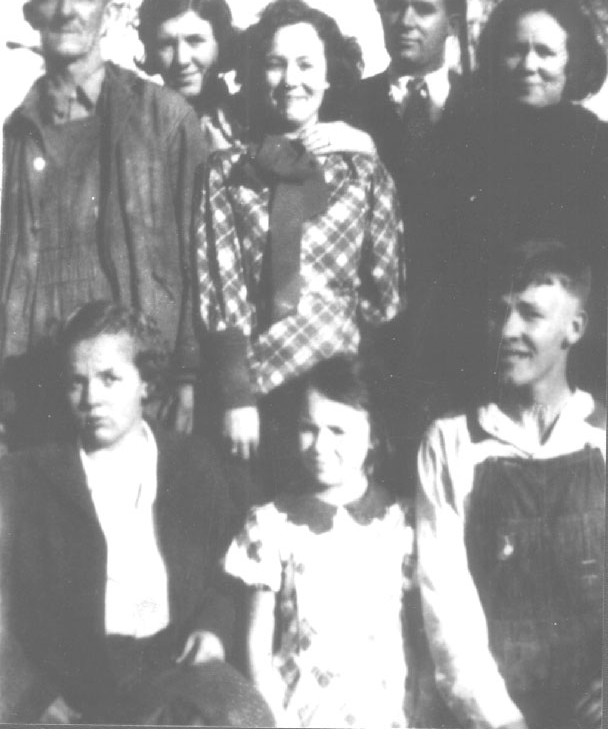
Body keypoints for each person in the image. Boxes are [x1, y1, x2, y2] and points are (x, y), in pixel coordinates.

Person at [0, 301, 273, 726]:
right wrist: (30, 695)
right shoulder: (27, 478)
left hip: (172, 668)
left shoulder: (193, 464)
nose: (91, 399)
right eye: (76, 383)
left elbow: (228, 572)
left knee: (244, 716)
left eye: (110, 379)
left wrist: (213, 628)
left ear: (146, 382)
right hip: (65, 689)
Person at [1, 0, 207, 445]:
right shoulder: (16, 134)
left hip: (139, 383)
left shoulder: (164, 116)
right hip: (39, 385)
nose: (66, 10)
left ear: (109, 13)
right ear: (30, 13)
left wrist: (186, 374)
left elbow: (200, 255)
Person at [195, 0, 405, 494]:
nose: (291, 79)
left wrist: (369, 393)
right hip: (259, 398)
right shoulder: (226, 174)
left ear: (330, 76)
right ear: (256, 73)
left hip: (342, 397)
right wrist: (236, 396)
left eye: (307, 65)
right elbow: (221, 287)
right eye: (276, 64)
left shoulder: (364, 171)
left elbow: (385, 296)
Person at [416, 240, 605, 729]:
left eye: (530, 314)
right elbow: (445, 601)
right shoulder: (452, 442)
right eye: (498, 312)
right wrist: (499, 720)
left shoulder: (601, 438)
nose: (507, 331)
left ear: (574, 328)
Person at [223, 354, 416, 727]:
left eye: (338, 431)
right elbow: (257, 646)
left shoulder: (401, 523)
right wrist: (275, 718)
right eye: (308, 428)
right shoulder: (272, 524)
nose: (319, 445)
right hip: (301, 717)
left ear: (375, 436)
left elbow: (420, 641)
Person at [349, 0, 472, 492]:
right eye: (395, 7)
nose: (406, 21)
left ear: (454, 22)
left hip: (462, 352)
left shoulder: (489, 109)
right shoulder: (345, 107)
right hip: (371, 352)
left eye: (424, 9)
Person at [460, 0, 608, 401]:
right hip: (482, 351)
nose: (528, 64)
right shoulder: (464, 143)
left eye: (545, 52)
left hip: (582, 356)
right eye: (515, 50)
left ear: (572, 62)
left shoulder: (599, 147)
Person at [137, 0, 239, 151]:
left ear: (221, 44)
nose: (181, 60)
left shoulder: (246, 125)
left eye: (195, 40)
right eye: (166, 44)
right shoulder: (137, 129)